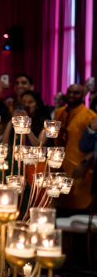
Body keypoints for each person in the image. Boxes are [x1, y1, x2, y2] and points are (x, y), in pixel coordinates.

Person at [54, 84, 95, 215]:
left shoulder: (90, 116)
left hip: (79, 171)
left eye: (76, 93)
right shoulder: (59, 112)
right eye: (69, 92)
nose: (71, 95)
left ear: (83, 96)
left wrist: (85, 162)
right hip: (58, 170)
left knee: (77, 216)